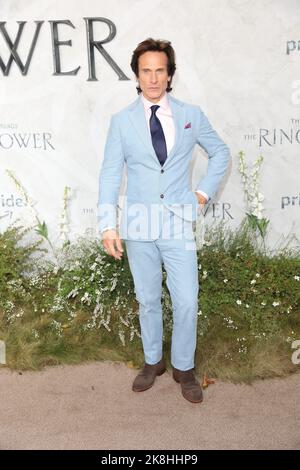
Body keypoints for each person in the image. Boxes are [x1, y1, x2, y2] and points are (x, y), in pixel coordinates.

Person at [97, 38, 230, 403]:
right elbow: (110, 175)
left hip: (177, 221)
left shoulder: (190, 115)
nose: (153, 78)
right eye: (146, 71)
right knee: (148, 297)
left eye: (160, 70)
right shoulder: (121, 121)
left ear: (170, 75)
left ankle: (183, 368)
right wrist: (108, 224)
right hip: (138, 224)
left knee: (186, 299)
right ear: (137, 75)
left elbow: (220, 153)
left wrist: (202, 194)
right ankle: (153, 361)